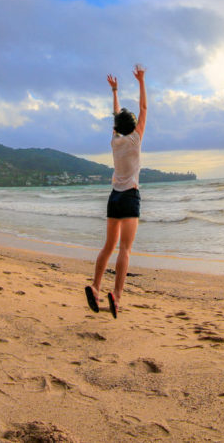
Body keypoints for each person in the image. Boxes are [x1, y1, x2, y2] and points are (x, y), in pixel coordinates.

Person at [86, 64, 147, 318]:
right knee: (125, 249)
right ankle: (117, 296)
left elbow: (116, 115)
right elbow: (144, 109)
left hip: (114, 197)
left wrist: (114, 91)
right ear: (132, 126)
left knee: (108, 246)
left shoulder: (115, 141)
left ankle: (96, 286)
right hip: (130, 196)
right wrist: (141, 81)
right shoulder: (135, 139)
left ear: (116, 126)